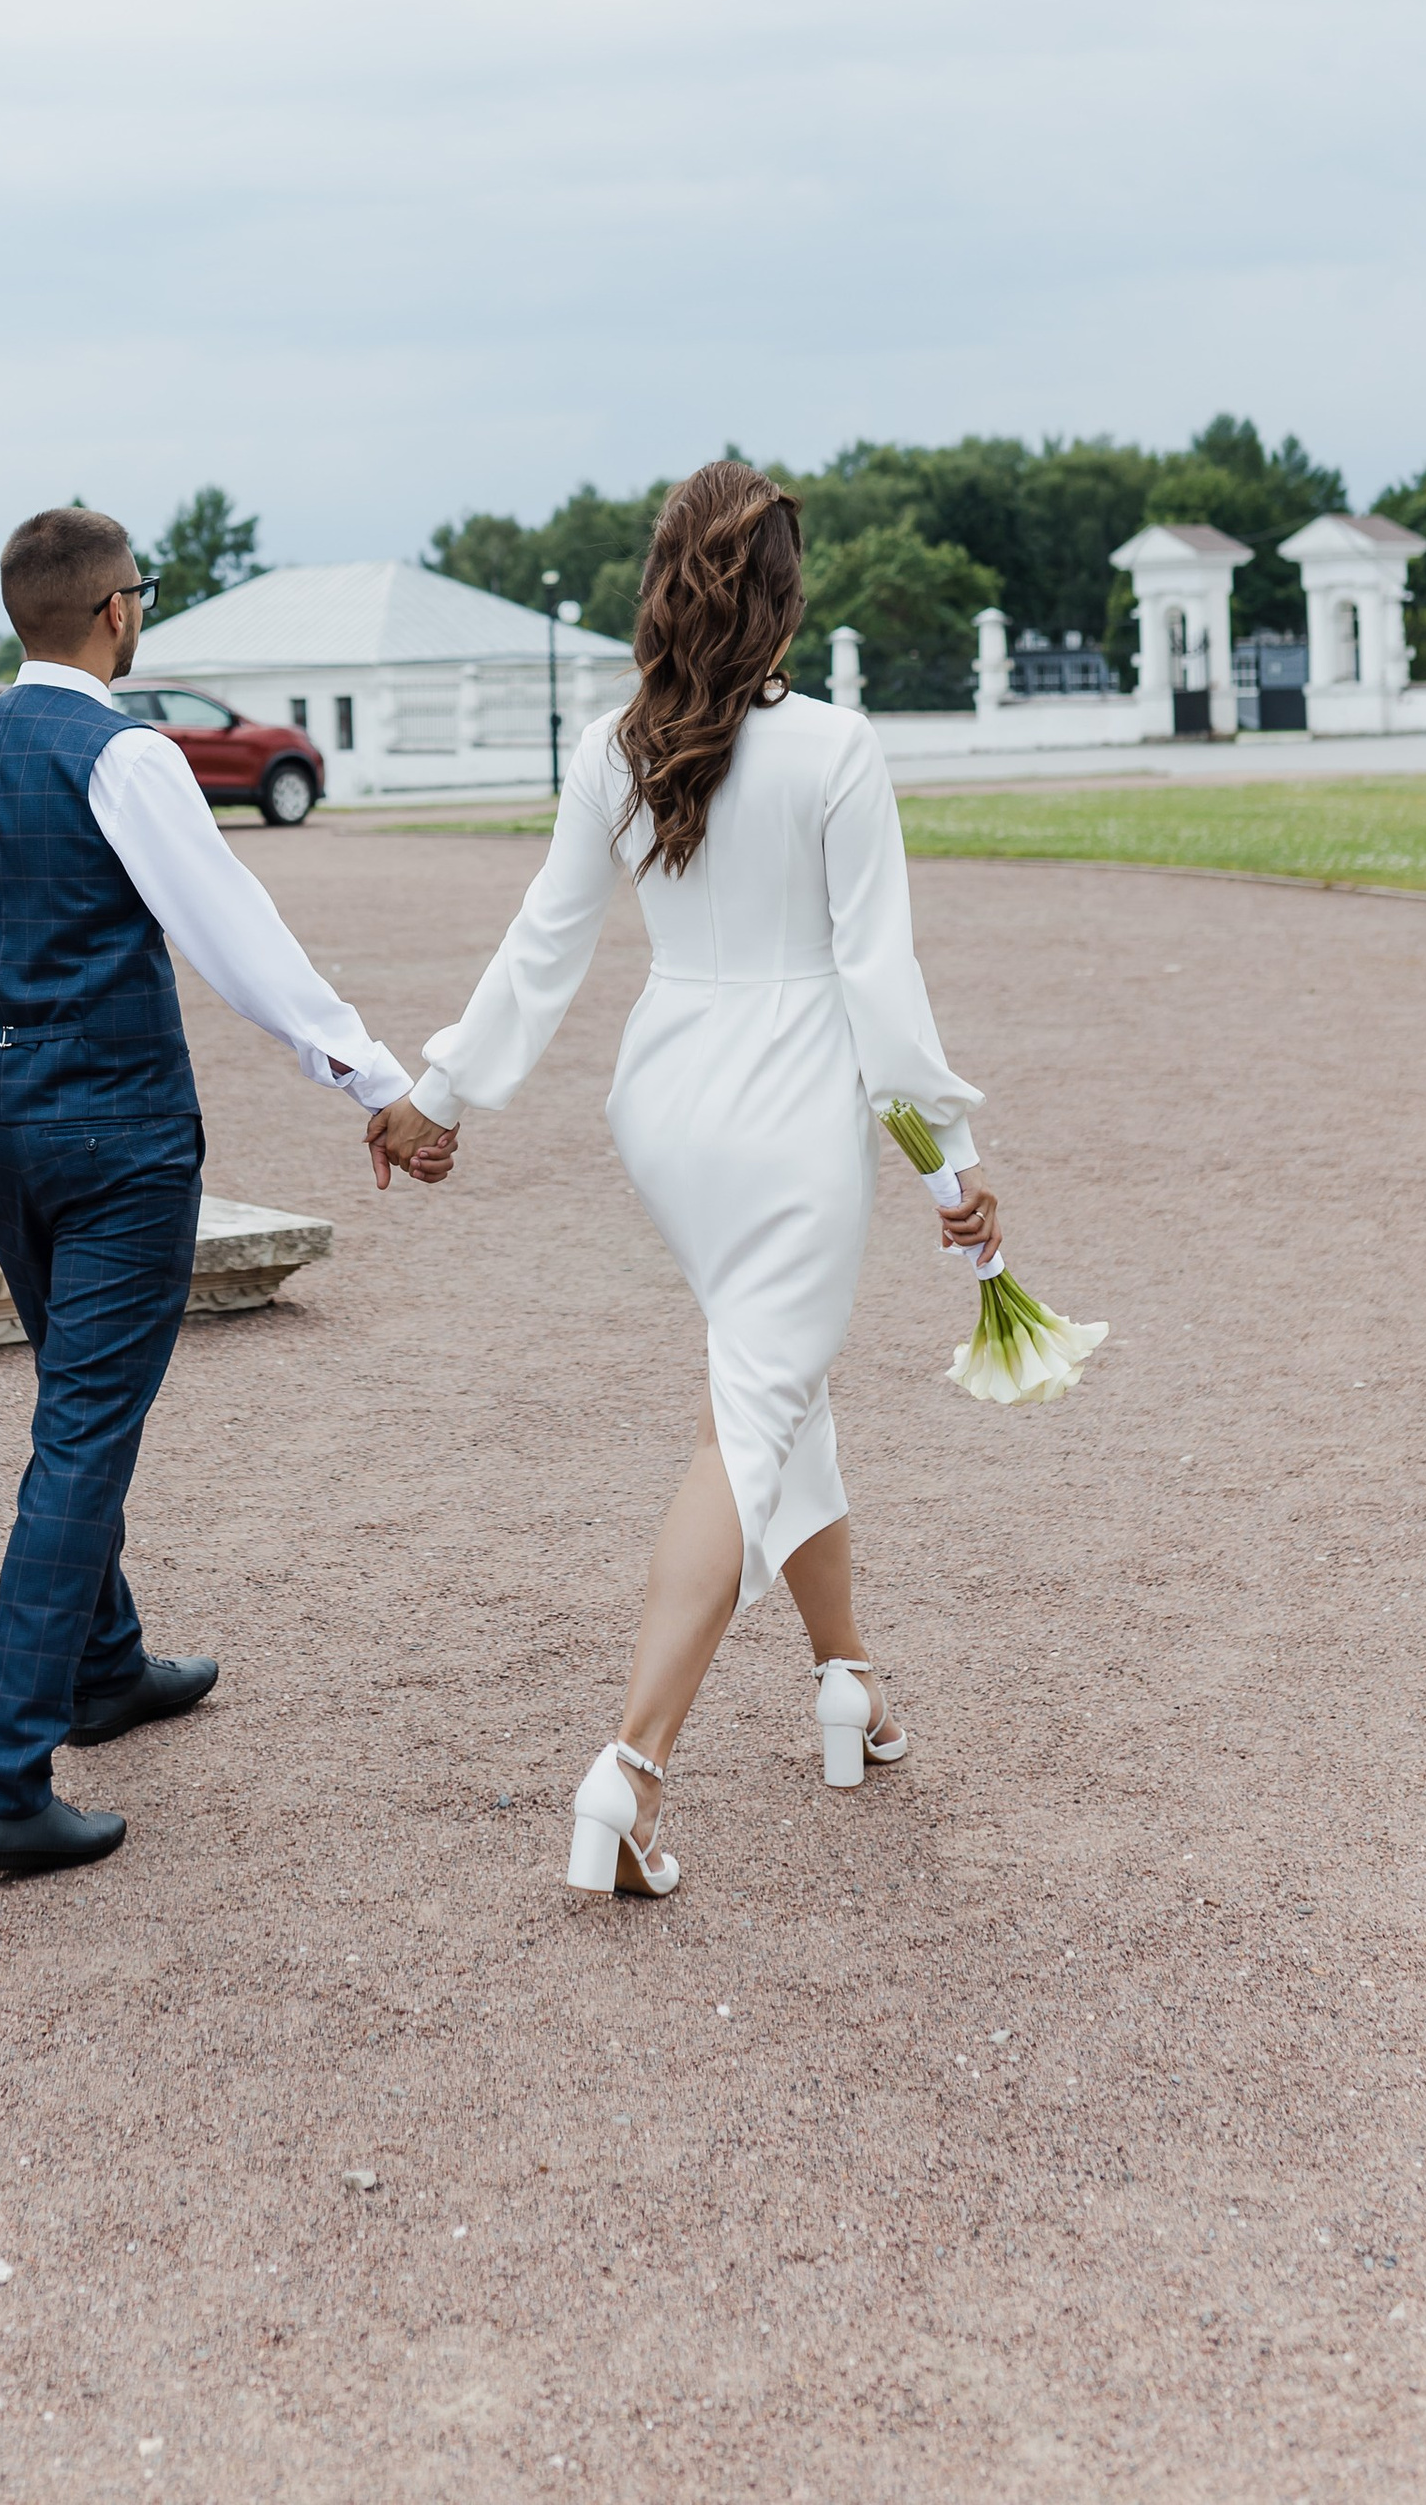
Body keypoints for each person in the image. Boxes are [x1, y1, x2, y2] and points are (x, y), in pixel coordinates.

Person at [366, 462, 999, 1898]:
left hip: (666, 1105)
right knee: (753, 1410)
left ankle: (847, 1678)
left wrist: (438, 1097)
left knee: (775, 1381)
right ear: (784, 594)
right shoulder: (836, 748)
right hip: (792, 1111)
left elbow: (547, 941)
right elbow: (878, 981)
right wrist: (953, 1167)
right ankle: (631, 1771)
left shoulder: (614, 748)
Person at [0, 505, 428, 1879]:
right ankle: (2, 1779)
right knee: (84, 1432)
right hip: (117, 1138)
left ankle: (105, 1664)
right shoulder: (127, 756)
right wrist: (374, 1081)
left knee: (75, 1405)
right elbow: (238, 938)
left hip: (7, 1131)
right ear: (117, 612)